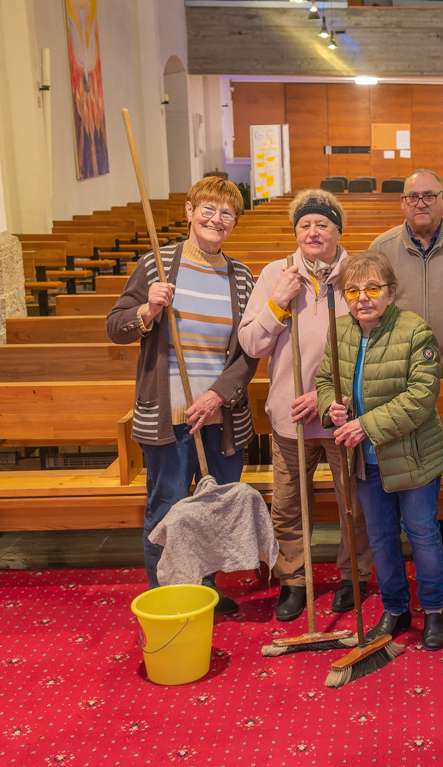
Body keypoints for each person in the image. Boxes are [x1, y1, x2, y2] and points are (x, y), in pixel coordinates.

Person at [106, 177, 258, 615]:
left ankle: (205, 591)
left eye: (227, 213)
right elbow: (115, 327)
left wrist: (216, 395)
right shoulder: (157, 265)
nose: (216, 219)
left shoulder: (241, 277)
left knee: (213, 507)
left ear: (234, 222)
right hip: (167, 415)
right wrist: (147, 310)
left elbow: (248, 353)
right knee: (168, 507)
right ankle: (167, 596)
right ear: (189, 211)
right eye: (208, 209)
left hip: (220, 413)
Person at [238, 190, 373, 622]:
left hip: (341, 414)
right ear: (296, 231)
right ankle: (295, 579)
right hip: (289, 416)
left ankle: (354, 575)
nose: (313, 232)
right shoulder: (276, 273)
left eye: (322, 224)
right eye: (304, 225)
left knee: (353, 502)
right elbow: (253, 344)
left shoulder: (359, 274)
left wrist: (328, 395)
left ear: (338, 230)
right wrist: (279, 300)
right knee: (290, 504)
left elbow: (375, 343)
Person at [317, 251, 443, 650]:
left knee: (423, 534)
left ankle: (433, 611)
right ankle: (395, 608)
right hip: (365, 460)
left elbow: (421, 397)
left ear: (390, 293)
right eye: (353, 290)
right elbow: (327, 378)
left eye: (373, 288)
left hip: (413, 455)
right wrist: (331, 406)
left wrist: (365, 425)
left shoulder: (415, 331)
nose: (363, 298)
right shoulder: (339, 331)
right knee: (379, 537)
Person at [370, 168, 443, 558]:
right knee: (412, 450)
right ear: (402, 203)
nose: (422, 203)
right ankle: (413, 522)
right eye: (413, 197)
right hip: (405, 372)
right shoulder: (383, 247)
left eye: (430, 195)